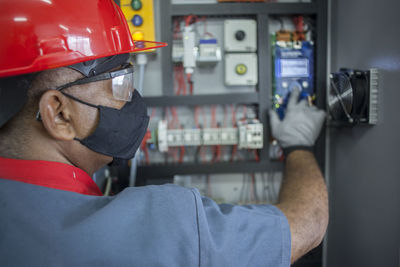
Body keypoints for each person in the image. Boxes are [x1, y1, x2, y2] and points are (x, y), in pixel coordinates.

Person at [0, 0, 328, 266]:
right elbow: (306, 226)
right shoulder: (165, 227)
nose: (130, 97)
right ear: (58, 113)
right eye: (121, 82)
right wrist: (298, 143)